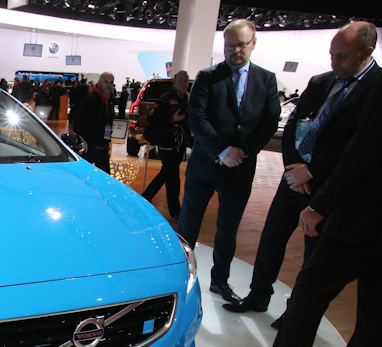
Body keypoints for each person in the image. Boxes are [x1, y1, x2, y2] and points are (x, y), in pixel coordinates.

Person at [240, 72, 382, 347]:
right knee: (375, 314)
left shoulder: (377, 87)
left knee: (308, 297)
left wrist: (320, 206)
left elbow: (361, 154)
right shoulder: (326, 84)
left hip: (360, 221)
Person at [223, 22, 380, 324]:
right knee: (271, 238)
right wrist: (293, 167)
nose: (334, 62)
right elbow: (295, 123)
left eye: (342, 56)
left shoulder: (376, 87)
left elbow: (360, 147)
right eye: (331, 55)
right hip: (293, 178)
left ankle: (294, 312)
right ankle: (258, 295)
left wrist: (312, 171)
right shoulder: (321, 82)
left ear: (366, 51)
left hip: (326, 187)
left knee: (313, 253)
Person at [177, 19, 280, 304]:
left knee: (228, 228)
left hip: (240, 167)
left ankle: (219, 280)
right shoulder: (207, 76)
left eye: (241, 45)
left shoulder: (266, 79)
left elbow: (270, 121)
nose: (235, 51)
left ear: (253, 43)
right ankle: (180, 277)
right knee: (188, 225)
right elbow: (197, 118)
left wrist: (242, 152)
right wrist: (223, 151)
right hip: (205, 164)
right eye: (229, 45)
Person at [141, 70, 190, 222]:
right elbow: (152, 119)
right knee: (173, 177)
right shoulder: (166, 98)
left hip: (179, 144)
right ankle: (175, 212)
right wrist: (172, 118)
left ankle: (146, 197)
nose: (183, 82)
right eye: (180, 79)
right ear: (174, 81)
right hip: (166, 142)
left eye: (186, 80)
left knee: (166, 173)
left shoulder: (188, 99)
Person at [72, 71, 116, 173]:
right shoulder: (91, 99)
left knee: (105, 175)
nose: (109, 85)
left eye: (111, 82)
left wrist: (107, 141)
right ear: (99, 82)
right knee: (81, 173)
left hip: (102, 144)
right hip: (90, 145)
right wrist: (83, 139)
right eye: (106, 81)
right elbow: (78, 121)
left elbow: (107, 121)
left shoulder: (108, 100)